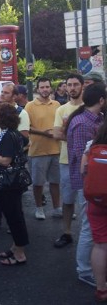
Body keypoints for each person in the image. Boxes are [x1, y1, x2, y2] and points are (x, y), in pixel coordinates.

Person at [65, 83, 106, 288]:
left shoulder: (95, 119)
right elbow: (83, 162)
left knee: (93, 228)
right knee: (89, 228)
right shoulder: (82, 123)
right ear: (101, 100)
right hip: (88, 184)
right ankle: (85, 270)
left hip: (95, 184)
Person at [0, 103, 30, 266]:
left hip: (9, 182)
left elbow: (5, 160)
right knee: (15, 215)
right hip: (16, 181)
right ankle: (15, 247)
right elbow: (26, 142)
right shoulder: (15, 134)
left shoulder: (6, 136)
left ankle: (19, 253)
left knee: (14, 217)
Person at [52, 74, 84, 249]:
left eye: (75, 84)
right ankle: (67, 232)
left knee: (88, 200)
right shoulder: (62, 110)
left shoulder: (91, 107)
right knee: (68, 199)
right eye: (69, 85)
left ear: (82, 86)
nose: (72, 88)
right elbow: (56, 134)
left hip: (88, 161)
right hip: (66, 160)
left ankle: (89, 234)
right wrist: (81, 138)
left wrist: (69, 135)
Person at [25, 77, 62, 220]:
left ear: (51, 88)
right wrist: (43, 133)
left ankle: (57, 208)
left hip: (56, 149)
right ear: (37, 89)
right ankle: (39, 208)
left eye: (47, 87)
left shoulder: (57, 104)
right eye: (42, 87)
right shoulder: (30, 106)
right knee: (38, 183)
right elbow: (26, 127)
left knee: (55, 182)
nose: (45, 89)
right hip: (37, 151)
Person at [81, 119, 107, 301]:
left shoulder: (91, 146)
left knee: (100, 245)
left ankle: (101, 289)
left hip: (97, 202)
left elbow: (83, 171)